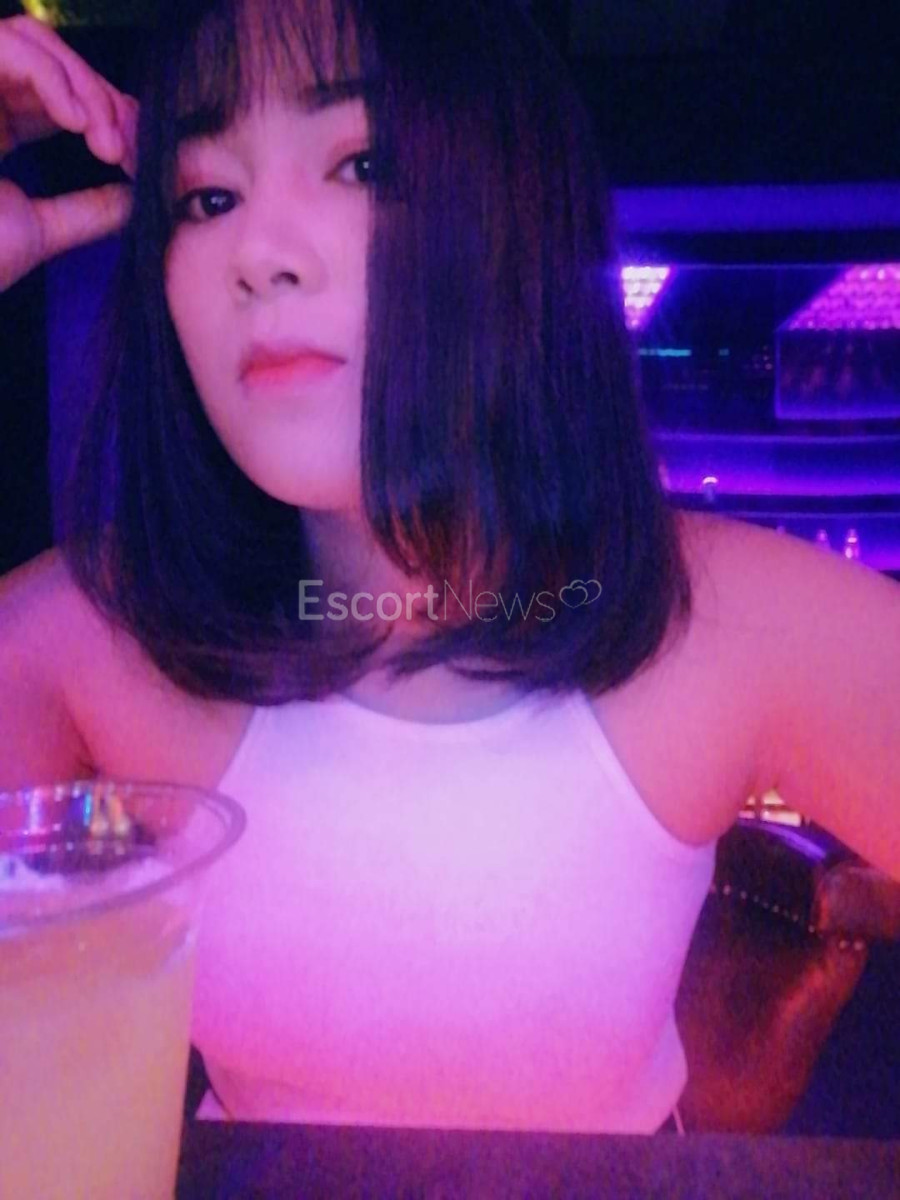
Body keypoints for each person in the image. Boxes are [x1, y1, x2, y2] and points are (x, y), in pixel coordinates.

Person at [0, 0, 898, 1136]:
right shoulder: (81, 642)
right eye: (207, 197)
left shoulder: (734, 623)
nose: (259, 256)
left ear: (521, 213)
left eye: (363, 163)